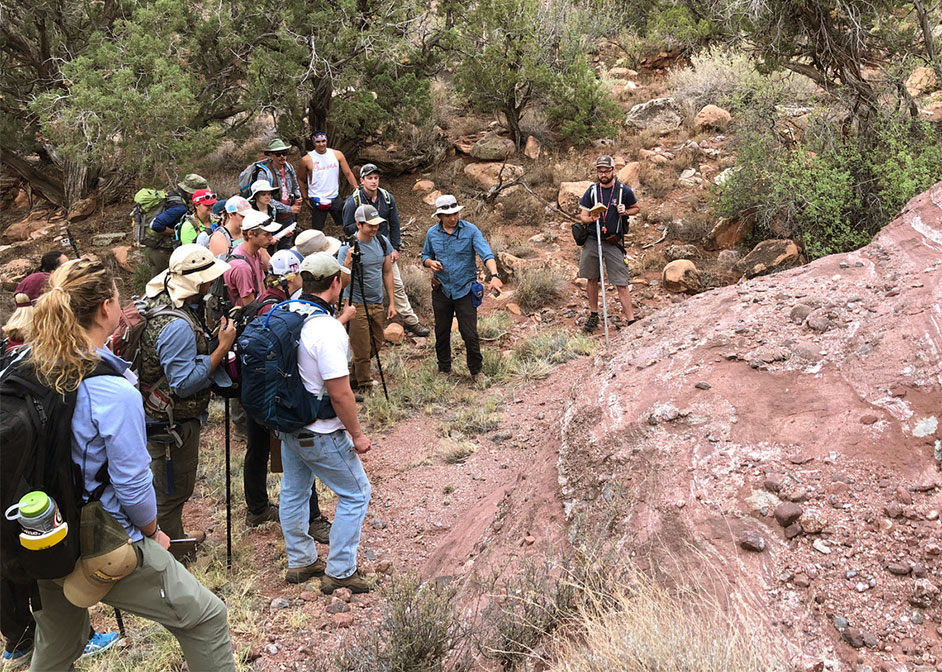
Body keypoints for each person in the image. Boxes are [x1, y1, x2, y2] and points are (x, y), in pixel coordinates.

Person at [24, 257, 235, 671]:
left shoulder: (33, 367)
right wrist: (153, 532)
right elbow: (133, 483)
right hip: (104, 538)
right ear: (106, 307)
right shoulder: (110, 390)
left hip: (41, 531)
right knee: (207, 618)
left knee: (58, 645)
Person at [278, 253, 372, 593]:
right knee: (357, 492)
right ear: (335, 283)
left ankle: (301, 561)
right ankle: (341, 570)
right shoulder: (326, 328)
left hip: (287, 423)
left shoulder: (285, 311)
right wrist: (357, 435)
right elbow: (341, 394)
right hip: (319, 430)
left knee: (294, 491)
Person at [139, 245, 237, 547]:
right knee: (172, 490)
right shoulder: (177, 325)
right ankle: (172, 554)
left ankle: (176, 537)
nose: (212, 283)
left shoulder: (159, 298)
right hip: (171, 423)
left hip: (156, 414)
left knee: (169, 487)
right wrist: (222, 348)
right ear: (197, 283)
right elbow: (183, 382)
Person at [240, 250, 334, 543]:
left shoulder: (259, 304)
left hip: (253, 391)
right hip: (278, 394)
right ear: (292, 277)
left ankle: (256, 508)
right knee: (298, 454)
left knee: (257, 450)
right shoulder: (283, 308)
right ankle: (313, 519)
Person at [342, 164, 430, 336]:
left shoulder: (386, 198)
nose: (373, 181)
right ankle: (357, 323)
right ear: (362, 180)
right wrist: (364, 233)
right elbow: (347, 227)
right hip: (360, 248)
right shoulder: (354, 201)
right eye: (369, 178)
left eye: (376, 178)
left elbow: (395, 223)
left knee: (396, 283)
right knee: (358, 286)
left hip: (383, 247)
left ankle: (410, 320)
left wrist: (395, 247)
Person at [421, 195, 503, 378]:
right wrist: (430, 263)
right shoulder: (432, 234)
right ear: (439, 216)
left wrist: (495, 275)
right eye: (448, 215)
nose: (453, 218)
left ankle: (476, 371)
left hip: (465, 289)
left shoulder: (471, 231)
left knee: (469, 333)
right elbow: (425, 255)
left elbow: (486, 254)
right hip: (441, 289)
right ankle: (444, 368)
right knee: (441, 332)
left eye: (455, 213)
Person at [575, 155, 639, 331]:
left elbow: (636, 208)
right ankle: (594, 314)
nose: (603, 174)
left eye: (606, 171)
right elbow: (583, 215)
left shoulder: (622, 190)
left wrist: (625, 211)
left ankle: (631, 320)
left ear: (613, 170)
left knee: (621, 280)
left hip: (613, 241)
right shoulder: (592, 191)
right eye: (600, 171)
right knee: (591, 277)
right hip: (593, 239)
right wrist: (591, 219)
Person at [337, 205, 396, 392]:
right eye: (370, 225)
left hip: (377, 302)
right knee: (361, 348)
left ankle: (353, 377)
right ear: (358, 224)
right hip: (356, 304)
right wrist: (348, 262)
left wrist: (392, 302)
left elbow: (387, 272)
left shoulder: (382, 241)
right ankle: (365, 384)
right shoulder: (347, 248)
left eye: (376, 224)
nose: (374, 228)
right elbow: (342, 283)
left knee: (376, 344)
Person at [144, 174, 209, 272]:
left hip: (155, 251)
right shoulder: (179, 207)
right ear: (190, 192)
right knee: (167, 284)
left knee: (155, 284)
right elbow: (155, 225)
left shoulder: (173, 195)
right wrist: (177, 232)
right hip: (163, 252)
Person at [297, 131, 357, 232]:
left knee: (348, 223)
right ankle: (318, 246)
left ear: (327, 140)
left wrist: (357, 190)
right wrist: (305, 198)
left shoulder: (337, 154)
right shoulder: (306, 160)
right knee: (317, 230)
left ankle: (350, 243)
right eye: (318, 142)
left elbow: (348, 173)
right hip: (317, 198)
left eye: (323, 141)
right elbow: (300, 179)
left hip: (334, 196)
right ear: (313, 143)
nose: (321, 144)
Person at [222, 210, 280, 309]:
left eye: (271, 234)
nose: (271, 238)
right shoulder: (241, 267)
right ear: (250, 234)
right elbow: (249, 305)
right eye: (266, 234)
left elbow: (261, 286)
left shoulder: (256, 252)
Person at [248, 139, 303, 226]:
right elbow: (264, 199)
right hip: (272, 217)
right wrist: (289, 209)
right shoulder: (264, 174)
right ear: (271, 155)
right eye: (278, 154)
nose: (282, 157)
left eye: (284, 153)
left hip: (288, 217)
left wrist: (298, 197)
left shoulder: (289, 168)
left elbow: (295, 187)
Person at [249, 179, 294, 251]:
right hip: (255, 248)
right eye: (263, 194)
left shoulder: (272, 209)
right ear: (256, 196)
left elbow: (274, 230)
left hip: (269, 247)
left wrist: (284, 234)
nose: (267, 197)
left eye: (269, 194)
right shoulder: (250, 211)